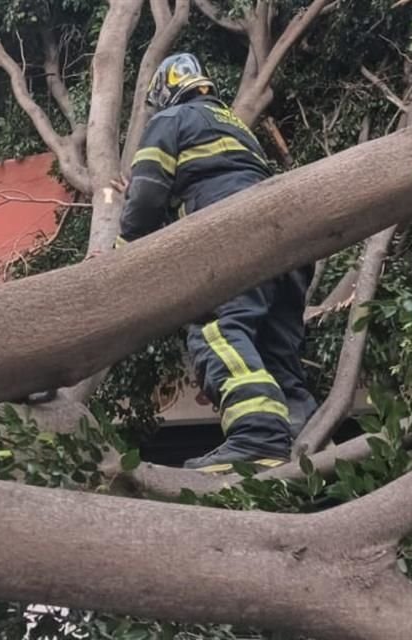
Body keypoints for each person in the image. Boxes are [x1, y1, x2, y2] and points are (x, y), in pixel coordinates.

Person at [116, 53, 316, 473]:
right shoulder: (237, 127)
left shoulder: (169, 121)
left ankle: (258, 437)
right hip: (290, 241)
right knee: (274, 350)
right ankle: (299, 438)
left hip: (234, 234)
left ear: (165, 92)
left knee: (219, 331)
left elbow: (147, 196)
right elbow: (224, 176)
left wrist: (121, 257)